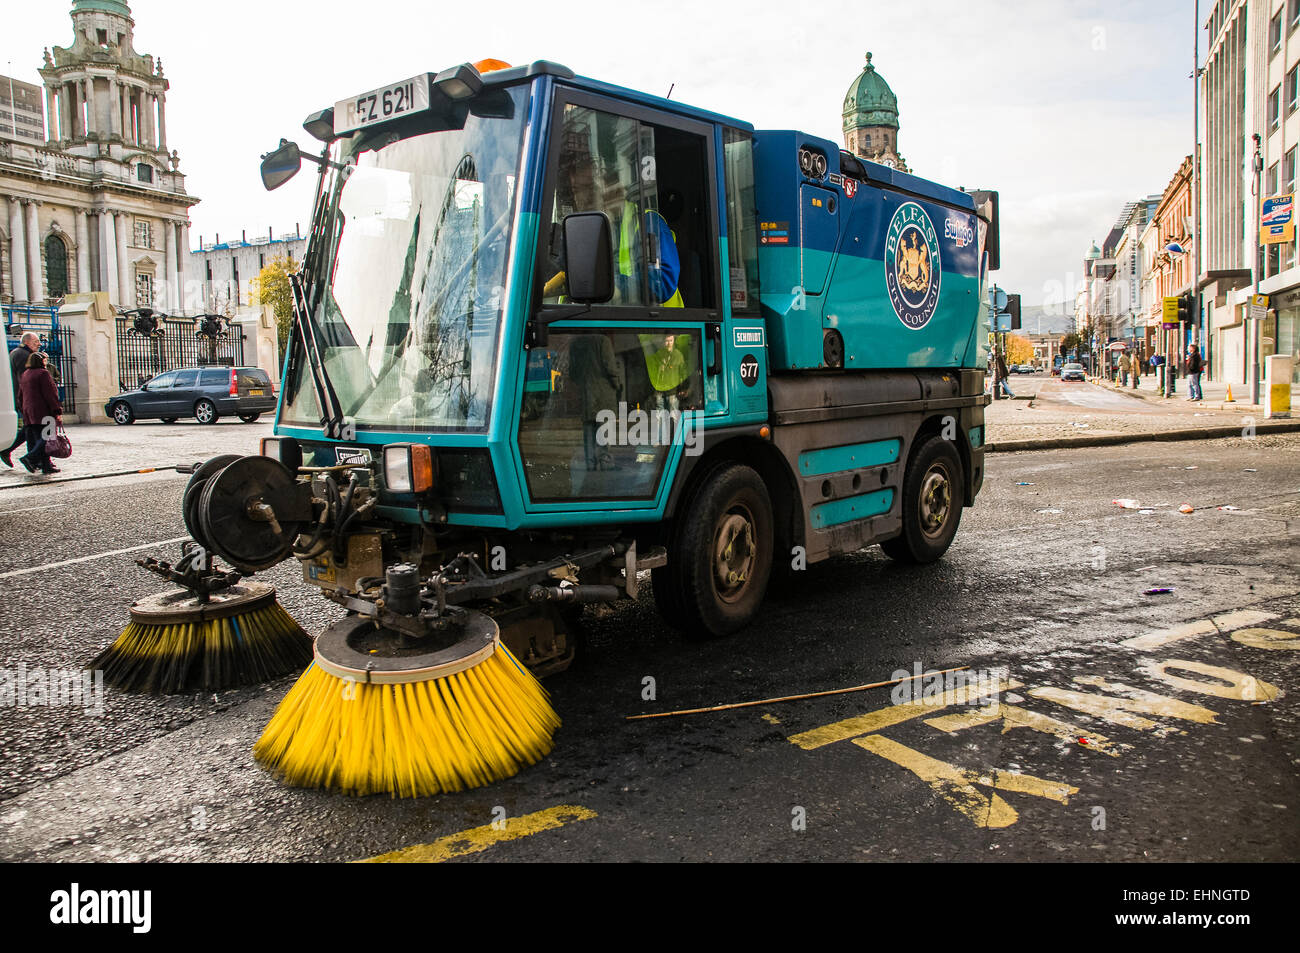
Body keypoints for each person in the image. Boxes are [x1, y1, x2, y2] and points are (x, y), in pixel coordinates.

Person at [17, 351, 63, 475]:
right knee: (47, 438)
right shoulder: (43, 374)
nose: (46, 362)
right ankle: (30, 457)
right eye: (44, 360)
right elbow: (50, 394)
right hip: (43, 411)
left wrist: (24, 409)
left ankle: (46, 465)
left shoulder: (25, 374)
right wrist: (57, 410)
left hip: (29, 411)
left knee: (39, 438)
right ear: (40, 361)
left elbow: (20, 395)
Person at [2, 331, 40, 467]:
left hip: (22, 398)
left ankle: (33, 457)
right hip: (25, 398)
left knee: (30, 427)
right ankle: (33, 458)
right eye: (36, 342)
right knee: (32, 428)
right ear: (26, 342)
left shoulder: (16, 353)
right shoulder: (23, 355)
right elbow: (24, 379)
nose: (39, 344)